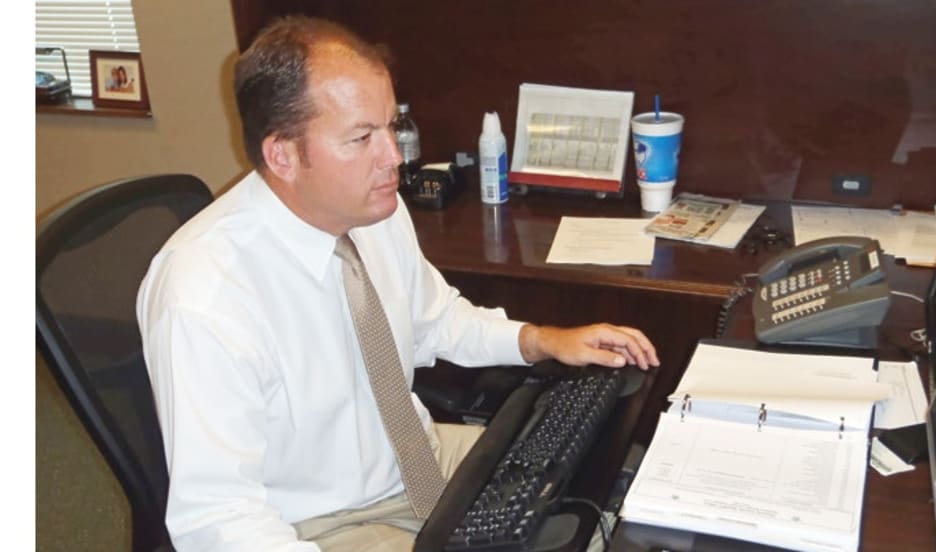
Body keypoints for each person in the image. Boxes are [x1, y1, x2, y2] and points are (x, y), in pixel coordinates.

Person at [137, 15, 659, 551]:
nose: (393, 157)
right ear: (283, 155)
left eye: (391, 126)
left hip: (416, 459)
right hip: (318, 523)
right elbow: (218, 518)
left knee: (613, 487)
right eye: (362, 137)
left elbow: (436, 319)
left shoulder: (372, 210)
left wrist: (541, 340)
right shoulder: (205, 295)